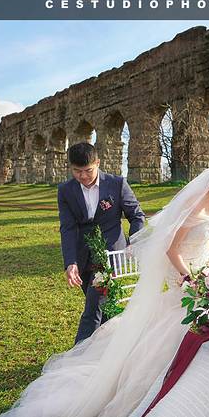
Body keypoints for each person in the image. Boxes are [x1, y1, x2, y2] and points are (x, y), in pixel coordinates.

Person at [0, 163, 209, 417]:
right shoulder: (193, 206)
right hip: (183, 273)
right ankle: (165, 387)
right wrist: (191, 279)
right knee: (181, 329)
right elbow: (172, 250)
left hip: (205, 272)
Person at [58, 142, 145, 344]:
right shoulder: (65, 190)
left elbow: (136, 216)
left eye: (88, 170)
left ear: (97, 163)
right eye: (76, 171)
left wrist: (134, 241)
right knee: (104, 310)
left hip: (110, 254)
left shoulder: (117, 184)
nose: (83, 176)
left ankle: (77, 355)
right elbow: (67, 228)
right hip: (82, 254)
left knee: (93, 309)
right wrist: (71, 262)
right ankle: (115, 347)